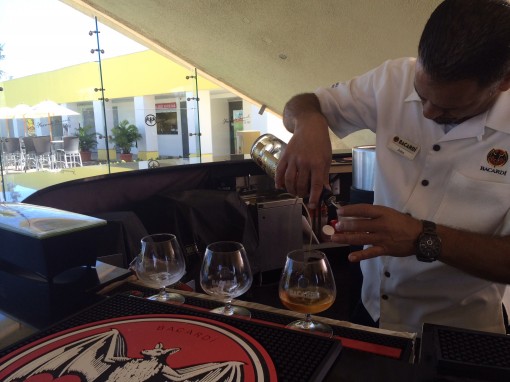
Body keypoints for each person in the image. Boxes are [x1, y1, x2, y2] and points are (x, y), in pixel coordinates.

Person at [276, 0, 510, 335]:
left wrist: (421, 237)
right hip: (372, 310)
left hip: (460, 329)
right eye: (421, 94)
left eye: (448, 106)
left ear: (504, 81)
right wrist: (309, 123)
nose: (427, 112)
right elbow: (303, 103)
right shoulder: (393, 78)